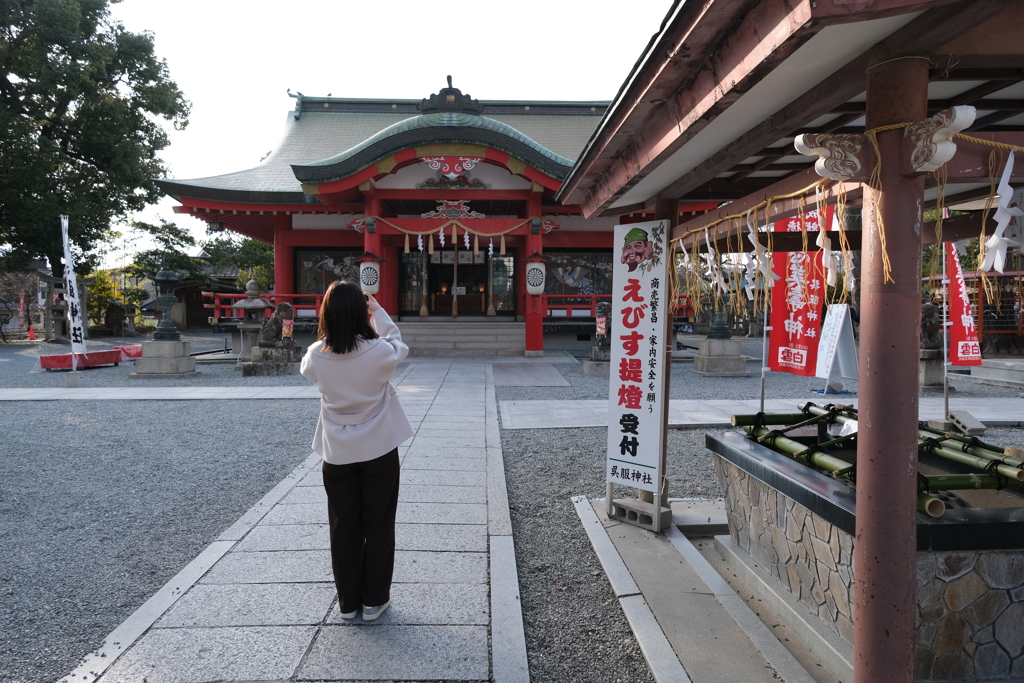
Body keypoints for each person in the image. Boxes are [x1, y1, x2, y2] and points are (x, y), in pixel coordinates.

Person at [300, 281, 413, 622]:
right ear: (359, 312)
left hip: (336, 453)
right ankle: (374, 600)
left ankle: (348, 603)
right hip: (378, 448)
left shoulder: (315, 354)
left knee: (343, 526)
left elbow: (307, 370)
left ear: (327, 313)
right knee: (378, 524)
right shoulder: (378, 351)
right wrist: (376, 310)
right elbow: (398, 344)